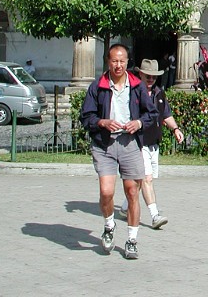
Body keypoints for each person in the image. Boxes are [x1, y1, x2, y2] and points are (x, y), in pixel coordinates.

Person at [80, 44, 158, 260]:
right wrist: (102, 122)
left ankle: (132, 240)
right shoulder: (98, 86)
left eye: (122, 61)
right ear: (108, 61)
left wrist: (139, 123)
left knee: (132, 191)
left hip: (129, 143)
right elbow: (86, 116)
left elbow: (151, 113)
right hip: (104, 144)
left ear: (127, 62)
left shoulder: (137, 86)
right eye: (114, 61)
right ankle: (109, 225)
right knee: (106, 192)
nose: (118, 65)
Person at [120, 59, 183, 229]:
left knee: (143, 180)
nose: (151, 79)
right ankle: (155, 216)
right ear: (140, 74)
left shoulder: (159, 93)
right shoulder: (133, 93)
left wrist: (175, 129)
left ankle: (125, 207)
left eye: (154, 77)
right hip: (138, 143)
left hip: (154, 143)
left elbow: (166, 115)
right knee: (146, 178)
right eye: (148, 76)